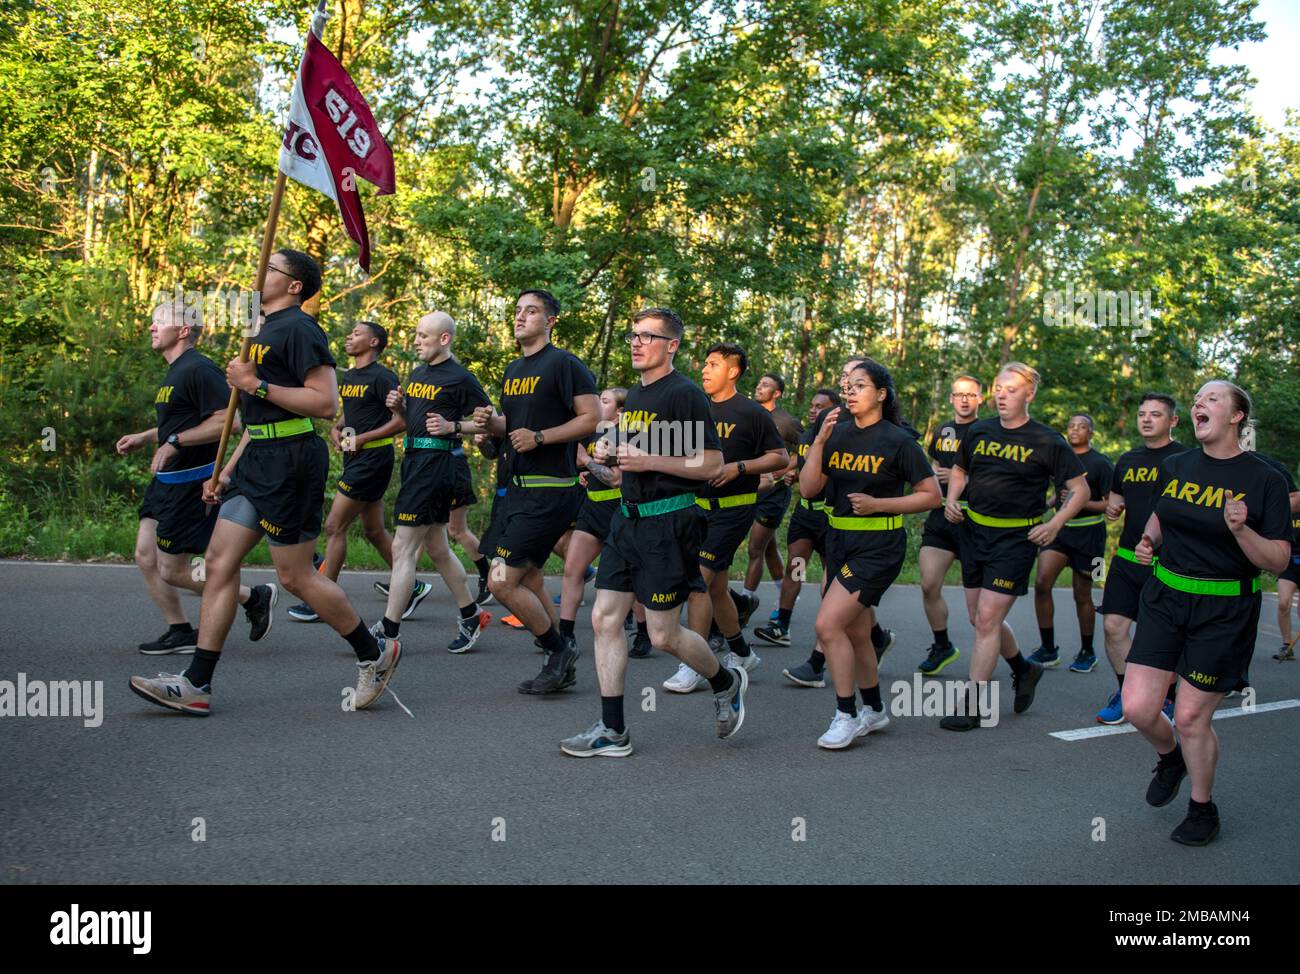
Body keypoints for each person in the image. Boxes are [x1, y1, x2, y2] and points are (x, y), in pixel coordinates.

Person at [129, 249, 399, 715]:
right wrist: (225, 470)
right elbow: (252, 421)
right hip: (257, 460)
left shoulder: (299, 329)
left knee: (294, 576)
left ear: (294, 286)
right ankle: (197, 685)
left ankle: (375, 652)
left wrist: (256, 385)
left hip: (292, 461)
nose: (259, 270)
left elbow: (324, 403)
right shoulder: (259, 330)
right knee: (217, 562)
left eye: (270, 267)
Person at [559, 308, 746, 756]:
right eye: (633, 335)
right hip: (627, 521)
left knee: (663, 635)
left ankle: (725, 679)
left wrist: (649, 461)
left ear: (672, 345)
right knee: (604, 618)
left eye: (648, 336)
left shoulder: (685, 395)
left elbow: (712, 464)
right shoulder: (638, 399)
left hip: (670, 523)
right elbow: (632, 464)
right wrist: (608, 458)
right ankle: (613, 730)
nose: (637, 342)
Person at [1122, 381, 1292, 845]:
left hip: (1225, 607)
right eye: (1198, 397)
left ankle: (1202, 807)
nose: (1200, 403)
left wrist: (1240, 531)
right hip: (1165, 595)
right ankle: (1170, 756)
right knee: (1138, 707)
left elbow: (1277, 561)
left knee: (1193, 717)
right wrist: (1149, 540)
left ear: (1236, 416)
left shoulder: (1266, 479)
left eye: (1213, 399)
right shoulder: (1176, 464)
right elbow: (1162, 512)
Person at [119, 298, 274, 655]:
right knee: (146, 555)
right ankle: (180, 629)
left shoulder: (198, 369)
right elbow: (184, 422)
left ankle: (253, 596)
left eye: (160, 321)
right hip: (166, 482)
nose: (152, 327)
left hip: (190, 482)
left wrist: (175, 441)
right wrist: (147, 437)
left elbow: (229, 421)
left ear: (184, 330)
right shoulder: (175, 372)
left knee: (172, 569)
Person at [939, 362, 1089, 731]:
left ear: (1029, 394)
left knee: (988, 618)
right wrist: (952, 499)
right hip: (974, 533)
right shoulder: (979, 430)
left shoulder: (1048, 440)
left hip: (1016, 540)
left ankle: (973, 705)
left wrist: (1054, 524)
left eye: (1011, 389)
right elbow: (959, 470)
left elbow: (1080, 489)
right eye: (998, 388)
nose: (1001, 394)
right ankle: (1024, 669)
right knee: (978, 618)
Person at [800, 359, 941, 748]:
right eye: (846, 385)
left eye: (858, 385)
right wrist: (820, 441)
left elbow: (932, 495)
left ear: (880, 394)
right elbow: (809, 489)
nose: (848, 390)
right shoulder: (837, 433)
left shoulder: (898, 441)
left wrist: (880, 505)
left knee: (827, 627)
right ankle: (875, 709)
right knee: (859, 631)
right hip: (839, 542)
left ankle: (846, 714)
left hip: (879, 547)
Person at [474, 289, 600, 695]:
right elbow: (512, 427)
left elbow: (592, 419)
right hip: (517, 490)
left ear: (550, 321)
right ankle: (560, 657)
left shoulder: (565, 364)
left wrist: (542, 437)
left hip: (551, 491)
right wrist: (489, 425)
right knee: (527, 577)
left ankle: (558, 651)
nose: (521, 317)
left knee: (500, 581)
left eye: (531, 311)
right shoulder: (513, 369)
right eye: (517, 311)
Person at [662, 342, 788, 693]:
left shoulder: (752, 413)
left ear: (732, 372)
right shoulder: (696, 409)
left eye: (713, 364)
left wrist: (738, 467)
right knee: (716, 587)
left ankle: (696, 664)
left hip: (734, 510)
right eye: (704, 363)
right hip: (697, 508)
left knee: (697, 582)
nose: (704, 369)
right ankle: (742, 651)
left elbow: (780, 458)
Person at [285, 320, 421, 623]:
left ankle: (323, 598)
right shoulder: (350, 377)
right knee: (373, 530)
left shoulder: (384, 376)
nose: (349, 336)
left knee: (334, 526)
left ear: (374, 343)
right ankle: (412, 586)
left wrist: (361, 439)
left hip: (373, 459)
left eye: (357, 333)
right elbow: (353, 412)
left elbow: (401, 421)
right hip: (356, 459)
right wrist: (337, 429)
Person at [374, 311, 492, 653]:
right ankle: (471, 614)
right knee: (437, 547)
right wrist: (399, 408)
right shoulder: (418, 373)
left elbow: (490, 421)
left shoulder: (461, 377)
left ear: (444, 339)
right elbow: (411, 419)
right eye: (416, 334)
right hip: (415, 461)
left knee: (402, 548)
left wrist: (454, 426)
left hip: (436, 464)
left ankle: (388, 631)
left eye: (423, 336)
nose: (415, 341)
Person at [1096, 393, 1188, 724]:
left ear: (1173, 421)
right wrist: (1112, 507)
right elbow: (1116, 500)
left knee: (1164, 635)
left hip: (1169, 562)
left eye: (1156, 414)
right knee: (1113, 626)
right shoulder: (1127, 460)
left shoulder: (1185, 460)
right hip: (1126, 556)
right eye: (1142, 414)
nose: (1146, 419)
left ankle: (1167, 697)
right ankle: (1126, 692)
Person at [1028, 414, 1114, 672]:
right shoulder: (1061, 456)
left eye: (1082, 426)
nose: (1075, 430)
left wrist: (1080, 501)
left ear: (1092, 433)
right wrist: (1047, 504)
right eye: (1071, 426)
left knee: (1082, 594)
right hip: (1060, 531)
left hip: (1090, 534)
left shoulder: (1101, 463)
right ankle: (1048, 649)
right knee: (1042, 583)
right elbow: (1059, 494)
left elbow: (1109, 503)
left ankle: (1087, 652)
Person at [757, 388, 839, 653]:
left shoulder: (842, 438)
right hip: (806, 514)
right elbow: (799, 463)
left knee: (833, 579)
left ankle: (840, 631)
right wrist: (792, 474)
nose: (814, 410)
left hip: (831, 517)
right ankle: (782, 624)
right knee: (796, 566)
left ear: (834, 411)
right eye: (813, 406)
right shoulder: (806, 436)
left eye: (820, 407)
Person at [555, 387, 631, 668]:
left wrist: (586, 462)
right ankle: (566, 635)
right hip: (591, 510)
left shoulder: (624, 436)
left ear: (620, 413)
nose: (598, 403)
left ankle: (646, 633)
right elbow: (584, 466)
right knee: (572, 569)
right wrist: (585, 472)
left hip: (618, 511)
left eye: (605, 400)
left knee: (631, 576)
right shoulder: (591, 432)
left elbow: (615, 480)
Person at [916, 375, 983, 676]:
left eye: (970, 394)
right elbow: (933, 464)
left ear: (981, 398)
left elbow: (995, 475)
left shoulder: (987, 432)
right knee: (929, 584)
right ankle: (942, 644)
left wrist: (962, 479)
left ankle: (1015, 661)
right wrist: (936, 475)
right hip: (941, 516)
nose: (964, 400)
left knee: (981, 611)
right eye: (959, 395)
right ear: (952, 398)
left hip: (976, 520)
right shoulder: (944, 429)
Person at [734, 372, 803, 624]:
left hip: (774, 495)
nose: (759, 387)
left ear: (777, 394)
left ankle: (744, 601)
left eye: (766, 385)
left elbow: (802, 453)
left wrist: (784, 471)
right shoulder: (749, 414)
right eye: (758, 383)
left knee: (755, 548)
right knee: (769, 548)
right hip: (750, 490)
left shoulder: (787, 422)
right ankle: (787, 595)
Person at [1248, 454, 1300, 661]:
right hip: (1290, 561)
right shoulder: (1280, 509)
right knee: (1283, 603)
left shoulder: (1294, 503)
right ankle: (1287, 645)